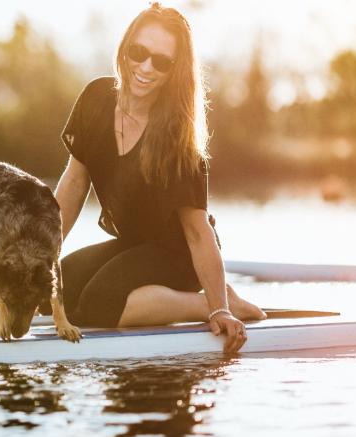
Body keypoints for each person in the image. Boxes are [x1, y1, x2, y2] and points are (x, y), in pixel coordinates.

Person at [54, 3, 266, 353]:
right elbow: (74, 185)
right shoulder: (96, 99)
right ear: (125, 48)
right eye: (139, 53)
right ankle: (155, 299)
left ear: (174, 70)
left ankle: (212, 301)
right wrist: (42, 255)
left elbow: (197, 232)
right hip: (134, 245)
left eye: (161, 61)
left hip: (178, 253)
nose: (146, 68)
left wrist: (218, 308)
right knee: (51, 289)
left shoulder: (177, 137)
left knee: (99, 304)